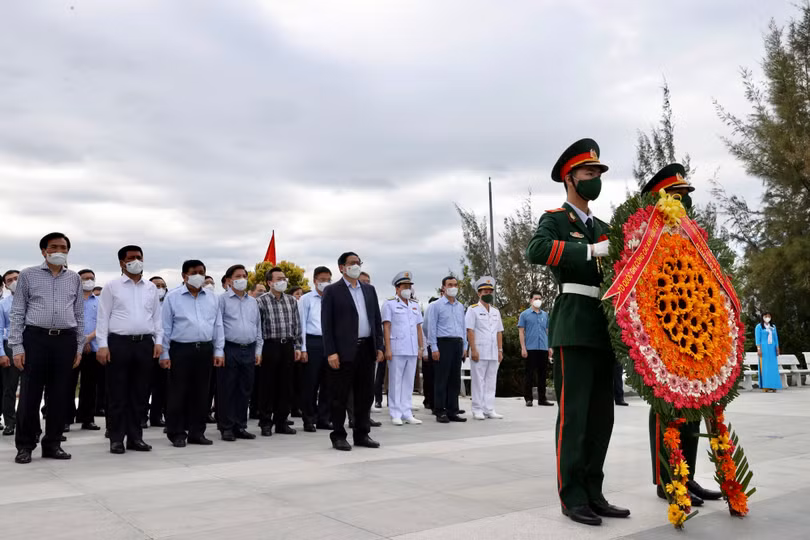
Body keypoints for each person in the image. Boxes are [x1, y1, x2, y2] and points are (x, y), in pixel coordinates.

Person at [526, 139, 629, 525]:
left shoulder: (603, 227)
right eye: (588, 173)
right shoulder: (555, 219)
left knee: (602, 417)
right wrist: (588, 252)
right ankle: (572, 496)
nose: (595, 179)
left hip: (604, 326)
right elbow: (536, 251)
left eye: (598, 173)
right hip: (573, 324)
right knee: (575, 416)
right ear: (569, 179)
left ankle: (594, 492)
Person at [640, 164, 723, 507]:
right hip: (663, 327)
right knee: (667, 406)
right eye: (676, 196)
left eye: (685, 195)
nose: (682, 202)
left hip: (693, 327)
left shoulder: (690, 234)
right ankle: (667, 479)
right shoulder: (647, 232)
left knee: (693, 407)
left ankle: (686, 477)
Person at [10, 232, 84, 464]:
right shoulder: (28, 275)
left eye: (63, 247)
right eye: (54, 247)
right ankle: (25, 445)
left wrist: (79, 347)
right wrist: (17, 347)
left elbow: (79, 315)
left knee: (60, 395)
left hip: (65, 340)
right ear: (43, 251)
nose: (59, 251)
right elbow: (17, 312)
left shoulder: (74, 278)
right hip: (35, 339)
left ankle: (52, 443)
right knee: (29, 395)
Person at [95, 246, 163, 454]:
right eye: (131, 258)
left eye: (139, 257)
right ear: (122, 263)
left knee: (140, 393)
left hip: (144, 343)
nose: (136, 261)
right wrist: (102, 345)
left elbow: (157, 317)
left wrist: (158, 341)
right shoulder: (112, 286)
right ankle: (116, 438)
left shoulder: (150, 288)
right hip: (119, 343)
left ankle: (135, 437)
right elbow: (103, 317)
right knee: (117, 393)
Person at [321, 252, 384, 451]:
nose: (356, 266)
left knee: (365, 395)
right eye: (352, 263)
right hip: (343, 351)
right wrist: (331, 352)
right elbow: (327, 325)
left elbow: (376, 320)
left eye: (358, 262)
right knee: (339, 396)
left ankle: (362, 433)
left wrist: (379, 346)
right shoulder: (332, 291)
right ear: (342, 267)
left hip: (366, 349)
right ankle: (339, 435)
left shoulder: (369, 290)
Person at [161, 259, 224, 447]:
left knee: (202, 393)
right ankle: (176, 432)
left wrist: (218, 350)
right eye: (194, 272)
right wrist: (164, 353)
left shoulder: (212, 298)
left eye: (202, 272)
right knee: (178, 392)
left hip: (204, 349)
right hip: (181, 349)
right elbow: (165, 327)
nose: (199, 276)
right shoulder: (173, 297)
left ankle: (197, 432)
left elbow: (218, 325)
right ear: (184, 276)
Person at [217, 264, 262, 441]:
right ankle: (226, 427)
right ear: (229, 280)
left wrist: (258, 350)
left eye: (244, 276)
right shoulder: (222, 300)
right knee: (227, 389)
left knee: (245, 389)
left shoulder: (253, 302)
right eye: (238, 276)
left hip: (249, 348)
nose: (242, 279)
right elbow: (218, 326)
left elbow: (257, 326)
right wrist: (219, 350)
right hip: (230, 348)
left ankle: (240, 425)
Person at [256, 267, 301, 436]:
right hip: (269, 346)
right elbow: (258, 327)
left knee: (286, 385)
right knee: (267, 385)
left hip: (287, 345)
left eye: (284, 278)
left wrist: (298, 346)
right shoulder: (261, 301)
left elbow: (297, 325)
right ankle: (265, 422)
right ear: (270, 282)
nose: (283, 281)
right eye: (279, 279)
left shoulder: (291, 300)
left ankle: (281, 422)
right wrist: (258, 350)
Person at [382, 271, 424, 426]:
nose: (407, 289)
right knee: (395, 381)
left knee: (408, 382)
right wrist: (387, 348)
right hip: (397, 348)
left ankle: (407, 412)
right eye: (404, 286)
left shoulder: (415, 305)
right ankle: (395, 413)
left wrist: (421, 347)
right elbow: (387, 327)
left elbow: (419, 328)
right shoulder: (389, 304)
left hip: (412, 349)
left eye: (409, 286)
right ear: (397, 288)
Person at [426, 276, 467, 424]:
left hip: (457, 343)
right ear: (443, 287)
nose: (453, 287)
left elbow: (463, 327)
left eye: (455, 285)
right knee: (441, 379)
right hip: (443, 343)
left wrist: (465, 346)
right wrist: (434, 347)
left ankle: (452, 410)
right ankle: (440, 410)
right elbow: (431, 327)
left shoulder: (460, 306)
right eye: (450, 285)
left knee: (454, 379)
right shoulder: (436, 305)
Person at [298, 266, 334, 432]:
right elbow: (302, 324)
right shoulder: (306, 299)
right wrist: (303, 348)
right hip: (312, 342)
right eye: (322, 280)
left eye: (328, 280)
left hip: (329, 343)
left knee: (328, 383)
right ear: (315, 281)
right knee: (310, 384)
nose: (325, 283)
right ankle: (309, 418)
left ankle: (324, 418)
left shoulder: (332, 298)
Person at [66, 269, 101, 431]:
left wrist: (88, 339)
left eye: (91, 278)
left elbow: (103, 324)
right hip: (72, 348)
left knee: (89, 385)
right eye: (85, 278)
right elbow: (68, 322)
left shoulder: (99, 302)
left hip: (93, 348)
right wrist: (81, 341)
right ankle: (66, 418)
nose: (89, 281)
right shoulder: (70, 300)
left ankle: (87, 418)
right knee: (68, 384)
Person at [466, 277, 505, 420]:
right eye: (485, 291)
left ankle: (489, 408)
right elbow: (470, 330)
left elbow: (499, 332)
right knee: (478, 381)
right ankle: (477, 409)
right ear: (479, 293)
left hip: (493, 351)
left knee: (491, 381)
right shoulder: (472, 309)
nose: (488, 293)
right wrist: (473, 349)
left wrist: (500, 350)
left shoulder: (495, 311)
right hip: (479, 350)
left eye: (490, 291)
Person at [518, 291, 553, 407]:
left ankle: (542, 398)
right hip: (530, 348)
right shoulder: (524, 315)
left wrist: (549, 346)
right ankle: (528, 398)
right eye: (535, 298)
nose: (538, 300)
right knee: (529, 374)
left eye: (539, 298)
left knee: (542, 374)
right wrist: (523, 348)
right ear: (530, 300)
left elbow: (547, 331)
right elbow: (521, 332)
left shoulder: (545, 315)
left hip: (543, 348)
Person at [145, 276, 169, 427]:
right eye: (156, 286)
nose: (160, 288)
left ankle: (156, 416)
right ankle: (141, 416)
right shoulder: (145, 302)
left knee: (161, 386)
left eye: (162, 286)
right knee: (144, 385)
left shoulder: (169, 303)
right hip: (147, 347)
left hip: (164, 349)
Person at [1, 270, 20, 436]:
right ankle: (9, 422)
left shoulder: (35, 300)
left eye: (16, 278)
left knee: (33, 387)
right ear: (6, 285)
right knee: (9, 387)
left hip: (32, 345)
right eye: (10, 280)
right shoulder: (3, 304)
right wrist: (2, 353)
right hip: (10, 346)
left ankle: (28, 422)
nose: (14, 281)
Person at [421, 296, 439, 412]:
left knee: (436, 378)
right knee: (428, 378)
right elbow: (424, 335)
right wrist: (424, 352)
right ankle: (428, 400)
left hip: (437, 349)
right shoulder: (425, 318)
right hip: (428, 350)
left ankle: (437, 401)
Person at [756, 312, 780, 392]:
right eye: (766, 316)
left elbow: (776, 338)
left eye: (769, 316)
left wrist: (777, 348)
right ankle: (766, 386)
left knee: (773, 367)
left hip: (772, 348)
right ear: (762, 317)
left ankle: (773, 385)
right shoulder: (759, 327)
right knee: (765, 367)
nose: (767, 318)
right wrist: (759, 349)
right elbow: (758, 339)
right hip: (764, 348)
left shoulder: (773, 327)